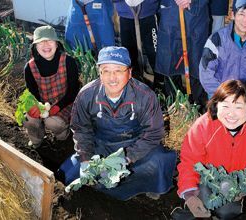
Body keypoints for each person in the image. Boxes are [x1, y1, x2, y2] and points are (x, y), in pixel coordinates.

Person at [57, 46, 177, 201]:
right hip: (101, 146)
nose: (112, 77)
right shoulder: (86, 95)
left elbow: (153, 133)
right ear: (99, 73)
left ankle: (150, 186)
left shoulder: (145, 96)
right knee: (66, 174)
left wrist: (126, 158)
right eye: (106, 71)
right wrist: (86, 159)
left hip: (134, 146)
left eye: (118, 70)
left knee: (159, 160)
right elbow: (81, 130)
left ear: (129, 72)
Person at [175, 79, 246, 219]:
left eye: (238, 107)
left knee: (227, 211)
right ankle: (192, 210)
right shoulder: (203, 127)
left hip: (235, 185)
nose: (231, 114)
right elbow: (189, 161)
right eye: (225, 106)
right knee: (201, 198)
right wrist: (189, 195)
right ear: (216, 105)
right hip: (206, 180)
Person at [23, 25, 80, 147]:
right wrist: (37, 106)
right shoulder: (30, 67)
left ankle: (63, 136)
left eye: (49, 41)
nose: (46, 45)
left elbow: (73, 92)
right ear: (35, 46)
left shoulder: (68, 62)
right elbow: (32, 92)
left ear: (56, 44)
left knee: (53, 123)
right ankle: (36, 141)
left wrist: (56, 107)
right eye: (40, 42)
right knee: (29, 119)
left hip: (65, 103)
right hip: (42, 103)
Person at [155, 0, 210, 109]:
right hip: (170, 15)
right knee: (170, 63)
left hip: (196, 18)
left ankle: (197, 106)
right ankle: (174, 106)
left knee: (197, 63)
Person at [113, 0, 165, 91]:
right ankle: (134, 83)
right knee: (129, 54)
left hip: (147, 14)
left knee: (154, 52)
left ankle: (160, 85)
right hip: (126, 15)